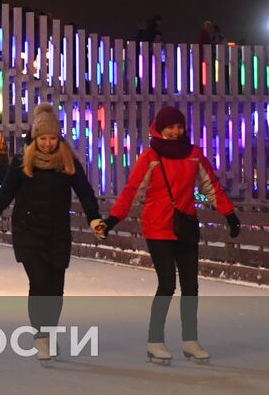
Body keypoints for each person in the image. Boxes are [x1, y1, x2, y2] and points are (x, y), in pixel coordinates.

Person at [100, 106, 241, 364]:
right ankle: (155, 340)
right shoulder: (151, 157)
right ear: (160, 128)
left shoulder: (194, 155)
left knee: (191, 286)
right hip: (158, 228)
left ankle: (190, 340)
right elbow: (132, 190)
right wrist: (112, 220)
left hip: (185, 226)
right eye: (170, 127)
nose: (175, 131)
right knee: (167, 284)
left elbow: (212, 186)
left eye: (179, 126)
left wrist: (229, 214)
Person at [0, 104, 104, 363]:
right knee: (39, 281)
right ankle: (40, 337)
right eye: (43, 139)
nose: (48, 144)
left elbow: (85, 192)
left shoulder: (67, 161)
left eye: (52, 138)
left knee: (56, 288)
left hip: (57, 232)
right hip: (28, 231)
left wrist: (94, 218)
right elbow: (6, 193)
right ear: (35, 138)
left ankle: (49, 331)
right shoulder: (22, 161)